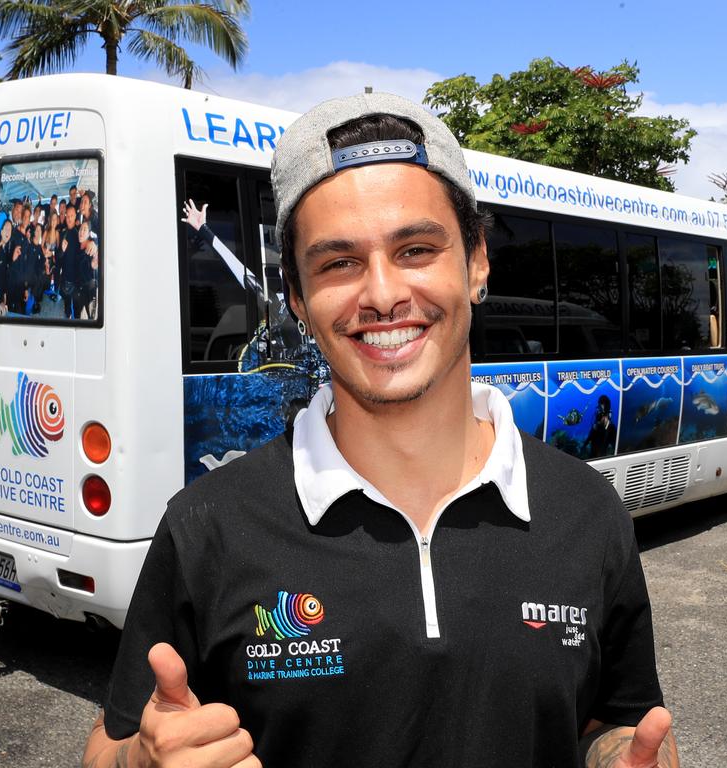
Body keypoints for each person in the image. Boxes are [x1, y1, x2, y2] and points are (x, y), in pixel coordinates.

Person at [83, 93, 679, 768]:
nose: (383, 293)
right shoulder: (207, 526)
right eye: (339, 262)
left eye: (416, 248)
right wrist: (141, 761)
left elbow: (616, 720)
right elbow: (110, 743)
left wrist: (628, 754)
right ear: (300, 300)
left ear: (477, 261)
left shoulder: (588, 509)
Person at [583, 394, 617, 458]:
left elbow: (615, 446)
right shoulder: (596, 427)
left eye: (600, 407)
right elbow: (589, 437)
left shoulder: (611, 428)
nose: (598, 413)